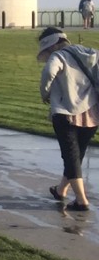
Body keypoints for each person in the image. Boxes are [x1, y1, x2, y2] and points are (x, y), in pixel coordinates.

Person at [37, 27, 97, 212]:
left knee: (70, 157)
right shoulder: (90, 52)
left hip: (65, 113)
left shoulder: (58, 57)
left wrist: (45, 93)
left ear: (51, 45)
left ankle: (81, 201)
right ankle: (61, 190)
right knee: (77, 154)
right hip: (92, 112)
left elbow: (48, 72)